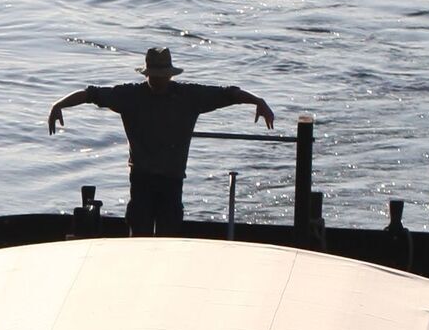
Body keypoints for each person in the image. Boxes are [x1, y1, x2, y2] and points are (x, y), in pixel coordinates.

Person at [47, 48, 276, 233]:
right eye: (153, 77)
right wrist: (58, 105)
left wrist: (258, 101)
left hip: (172, 181)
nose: (158, 81)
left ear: (170, 75)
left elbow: (230, 94)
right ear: (147, 75)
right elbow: (90, 94)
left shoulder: (189, 96)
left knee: (169, 235)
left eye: (162, 77)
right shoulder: (129, 95)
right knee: (139, 235)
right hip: (141, 179)